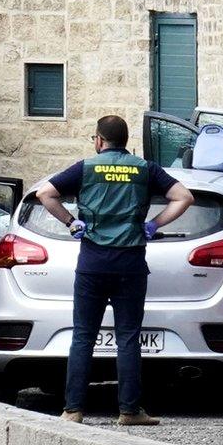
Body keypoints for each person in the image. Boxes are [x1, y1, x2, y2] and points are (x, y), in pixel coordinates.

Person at [36, 115, 194, 425]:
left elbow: (45, 193)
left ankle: (73, 410)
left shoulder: (85, 167)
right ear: (125, 141)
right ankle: (129, 411)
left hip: (92, 263)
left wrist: (71, 223)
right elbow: (184, 197)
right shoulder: (144, 168)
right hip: (130, 263)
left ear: (98, 140)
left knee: (83, 337)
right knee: (128, 338)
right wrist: (154, 223)